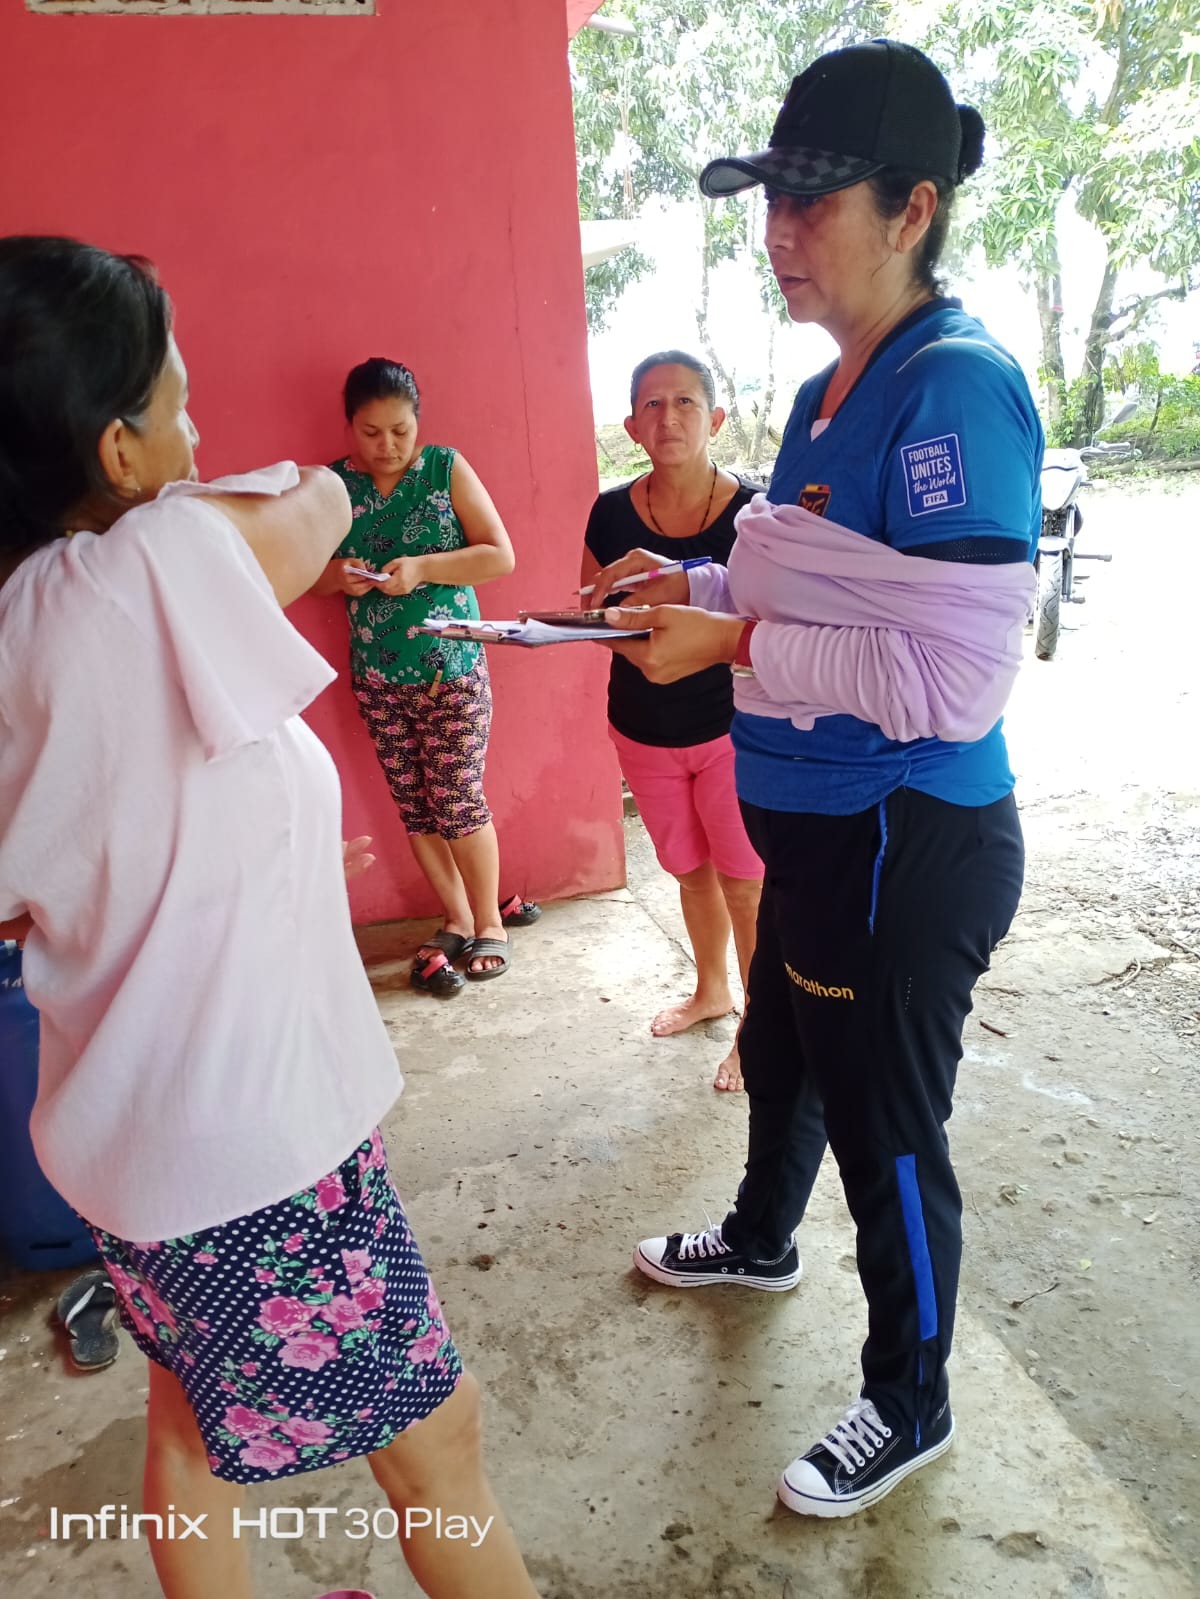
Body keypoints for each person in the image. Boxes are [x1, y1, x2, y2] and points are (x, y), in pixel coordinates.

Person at [0, 236, 538, 1599]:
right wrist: (309, 483)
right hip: (255, 1161)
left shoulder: (24, 620)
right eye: (180, 408)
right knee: (441, 1448)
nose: (201, 435)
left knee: (187, 1432)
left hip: (136, 1158)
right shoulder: (150, 565)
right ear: (116, 451)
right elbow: (313, 516)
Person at [589, 41, 1041, 1518]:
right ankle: (761, 1238)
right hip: (819, 828)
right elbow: (805, 584)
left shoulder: (954, 391)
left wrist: (735, 641)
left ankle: (912, 1397)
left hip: (904, 835)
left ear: (914, 209)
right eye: (770, 200)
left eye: (814, 200)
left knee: (886, 1128)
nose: (779, 232)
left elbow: (953, 679)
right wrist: (696, 580)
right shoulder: (821, 393)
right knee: (781, 1051)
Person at [310, 359, 538, 995]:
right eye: (371, 432)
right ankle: (456, 918)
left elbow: (499, 556)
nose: (387, 446)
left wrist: (424, 568)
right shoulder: (333, 486)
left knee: (457, 799)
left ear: (418, 423)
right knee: (416, 806)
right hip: (378, 678)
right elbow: (307, 573)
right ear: (350, 426)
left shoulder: (444, 468)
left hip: (451, 671)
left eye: (400, 431)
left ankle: (490, 922)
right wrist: (337, 576)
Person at [581, 353, 762, 1092]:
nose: (668, 418)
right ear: (632, 427)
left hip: (734, 731)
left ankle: (759, 1028)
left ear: (715, 418)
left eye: (685, 402)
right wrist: (639, 646)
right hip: (642, 727)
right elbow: (594, 613)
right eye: (652, 405)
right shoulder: (609, 513)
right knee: (689, 872)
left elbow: (773, 618)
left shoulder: (755, 513)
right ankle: (711, 990)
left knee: (746, 884)